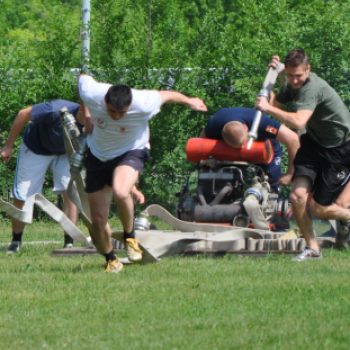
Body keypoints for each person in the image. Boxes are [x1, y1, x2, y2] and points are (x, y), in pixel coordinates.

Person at [78, 74, 208, 273]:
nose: (116, 117)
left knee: (121, 192)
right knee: (97, 220)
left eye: (121, 113)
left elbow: (167, 95)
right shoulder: (92, 94)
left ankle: (130, 238)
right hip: (98, 155)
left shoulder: (144, 103)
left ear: (129, 106)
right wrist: (86, 115)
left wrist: (191, 101)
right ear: (104, 101)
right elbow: (82, 78)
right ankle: (111, 260)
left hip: (131, 151)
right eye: (111, 111)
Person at [255, 48, 350, 261]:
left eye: (298, 75)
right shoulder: (292, 84)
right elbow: (274, 103)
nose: (294, 80)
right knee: (297, 197)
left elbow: (298, 121)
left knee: (319, 207)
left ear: (308, 69)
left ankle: (347, 216)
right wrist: (271, 80)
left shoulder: (312, 88)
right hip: (314, 144)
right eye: (290, 75)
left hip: (341, 149)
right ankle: (313, 250)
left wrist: (268, 109)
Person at [0, 100, 84, 253]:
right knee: (22, 194)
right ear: (83, 107)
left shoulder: (100, 120)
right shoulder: (55, 109)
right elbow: (23, 114)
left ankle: (69, 243)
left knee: (71, 192)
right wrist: (8, 146)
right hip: (36, 148)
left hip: (66, 152)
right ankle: (16, 242)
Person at [199, 107, 300, 192]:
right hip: (229, 153)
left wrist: (291, 173)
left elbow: (292, 138)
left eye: (244, 142)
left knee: (271, 186)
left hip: (266, 149)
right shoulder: (215, 124)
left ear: (246, 128)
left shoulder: (263, 124)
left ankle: (272, 200)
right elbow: (200, 144)